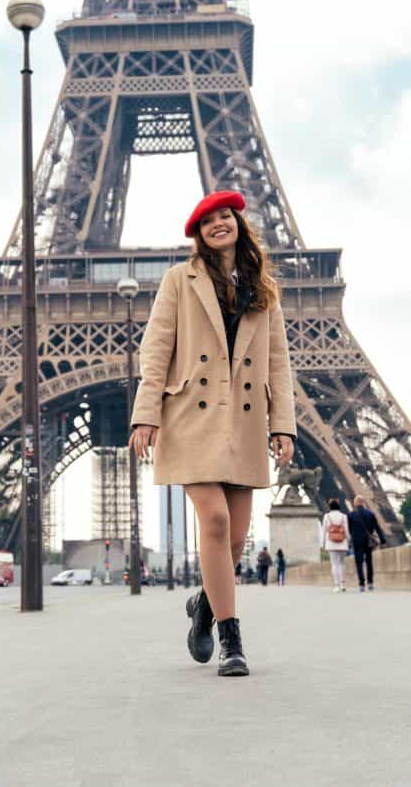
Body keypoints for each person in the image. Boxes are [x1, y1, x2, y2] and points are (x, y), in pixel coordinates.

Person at [129, 190, 297, 678]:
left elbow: (279, 365)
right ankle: (232, 641)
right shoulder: (179, 281)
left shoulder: (263, 290)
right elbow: (157, 349)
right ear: (199, 234)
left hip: (243, 421)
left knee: (236, 539)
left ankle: (204, 605)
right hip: (191, 419)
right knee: (217, 523)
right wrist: (147, 413)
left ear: (239, 225)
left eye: (226, 217)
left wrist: (282, 423)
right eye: (209, 221)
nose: (219, 224)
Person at [348, 494, 383, 592]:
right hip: (368, 542)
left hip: (357, 541)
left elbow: (349, 529)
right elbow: (377, 528)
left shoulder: (351, 515)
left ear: (355, 503)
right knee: (369, 562)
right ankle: (370, 583)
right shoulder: (370, 514)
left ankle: (361, 584)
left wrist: (351, 538)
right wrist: (382, 539)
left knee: (359, 563)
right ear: (363, 503)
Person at [320, 498, 350, 592]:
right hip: (342, 542)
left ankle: (336, 585)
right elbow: (347, 531)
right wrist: (348, 541)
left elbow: (324, 530)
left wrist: (323, 543)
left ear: (330, 506)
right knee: (342, 563)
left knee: (334, 564)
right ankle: (343, 584)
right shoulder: (344, 516)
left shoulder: (326, 516)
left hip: (331, 542)